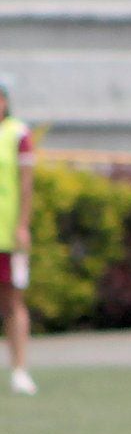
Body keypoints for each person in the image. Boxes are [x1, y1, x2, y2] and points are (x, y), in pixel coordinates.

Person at [0, 76, 35, 397]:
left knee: (13, 301)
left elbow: (26, 185)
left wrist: (23, 225)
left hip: (7, 236)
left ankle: (19, 370)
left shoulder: (17, 134)